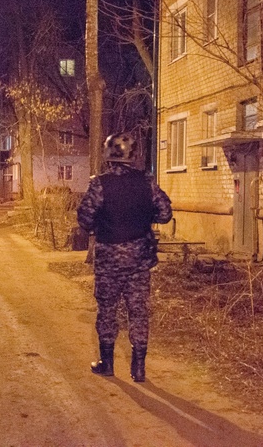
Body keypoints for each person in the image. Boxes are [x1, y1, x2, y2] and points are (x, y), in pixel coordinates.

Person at [76, 133, 172, 382]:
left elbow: (84, 219)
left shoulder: (100, 184)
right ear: (133, 155)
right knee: (138, 311)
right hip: (139, 259)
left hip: (108, 259)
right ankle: (138, 368)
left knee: (107, 309)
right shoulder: (147, 182)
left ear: (109, 155)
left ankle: (107, 364)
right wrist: (144, 217)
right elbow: (165, 214)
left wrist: (100, 223)